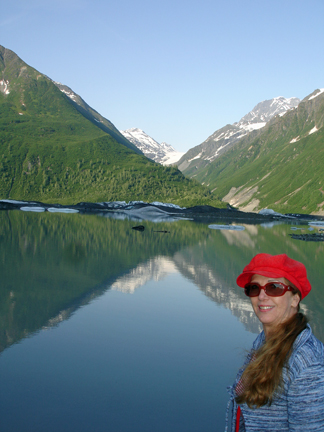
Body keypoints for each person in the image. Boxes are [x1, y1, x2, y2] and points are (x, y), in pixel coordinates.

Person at [225, 253, 324, 432]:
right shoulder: (265, 341)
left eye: (274, 288)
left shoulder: (307, 363)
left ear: (295, 298)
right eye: (254, 288)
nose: (262, 296)